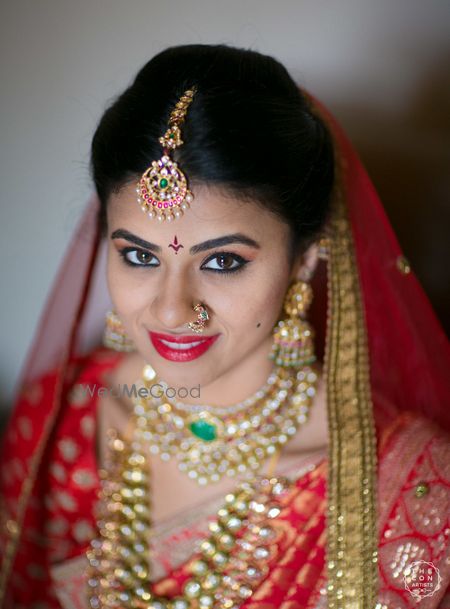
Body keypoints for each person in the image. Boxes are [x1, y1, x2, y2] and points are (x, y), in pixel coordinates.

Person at [0, 44, 449, 609]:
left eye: (222, 262)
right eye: (139, 257)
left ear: (305, 258)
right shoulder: (58, 420)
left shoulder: (405, 486)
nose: (170, 310)